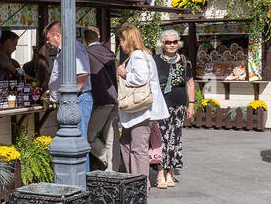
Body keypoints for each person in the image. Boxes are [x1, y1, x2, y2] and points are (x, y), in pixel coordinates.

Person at [116, 25, 168, 176]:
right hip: (138, 110)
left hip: (140, 110)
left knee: (138, 147)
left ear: (129, 40)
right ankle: (134, 180)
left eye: (122, 40)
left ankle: (139, 183)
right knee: (126, 144)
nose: (120, 43)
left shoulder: (138, 55)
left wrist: (124, 74)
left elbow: (141, 78)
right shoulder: (144, 55)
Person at [44, 21, 93, 170]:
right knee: (72, 142)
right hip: (73, 100)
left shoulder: (73, 48)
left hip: (78, 100)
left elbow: (83, 73)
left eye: (48, 38)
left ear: (57, 35)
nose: (47, 42)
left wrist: (69, 97)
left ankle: (82, 180)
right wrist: (52, 91)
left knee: (78, 141)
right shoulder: (63, 50)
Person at [152, 28, 195, 187]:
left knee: (175, 139)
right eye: (168, 42)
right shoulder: (155, 61)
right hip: (160, 106)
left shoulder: (184, 61)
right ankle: (160, 172)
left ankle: (170, 172)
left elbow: (190, 84)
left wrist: (191, 104)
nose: (172, 45)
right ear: (162, 44)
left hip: (178, 105)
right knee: (161, 138)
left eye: (175, 42)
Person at [83, 26, 119, 171]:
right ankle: (112, 169)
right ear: (98, 36)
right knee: (111, 138)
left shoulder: (86, 54)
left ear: (85, 39)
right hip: (113, 98)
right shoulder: (109, 53)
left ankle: (104, 157)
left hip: (99, 100)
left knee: (89, 136)